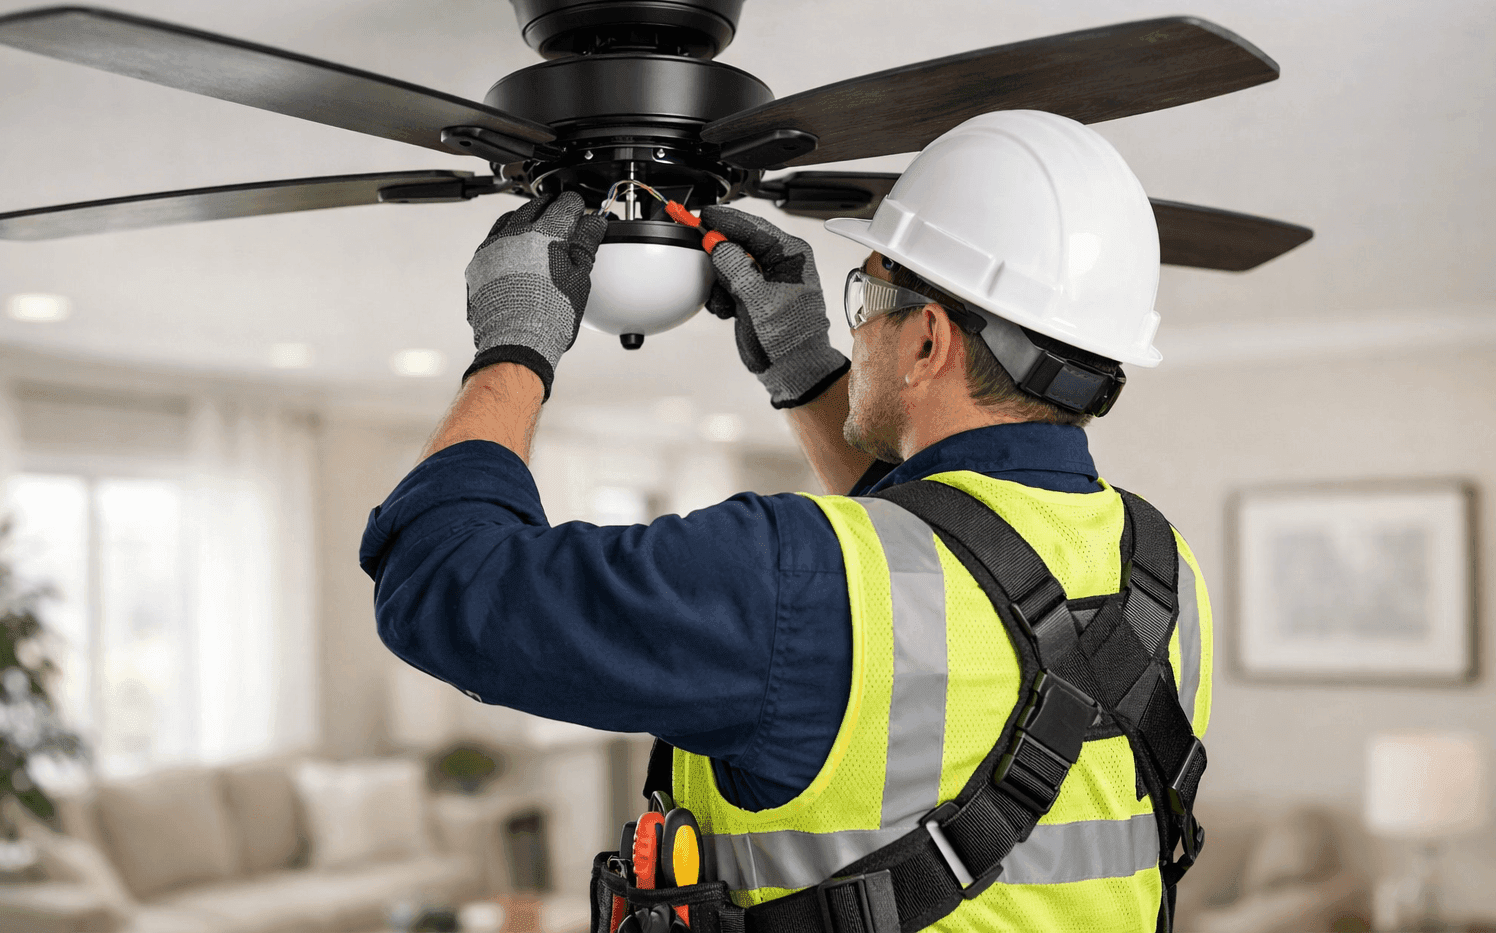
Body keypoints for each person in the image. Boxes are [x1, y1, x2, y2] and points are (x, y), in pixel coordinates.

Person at [362, 110, 1213, 933]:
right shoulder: (1162, 569)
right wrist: (807, 371)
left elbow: (442, 582)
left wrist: (514, 347)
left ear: (927, 343)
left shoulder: (789, 575)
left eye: (867, 296)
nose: (857, 326)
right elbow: (966, 552)